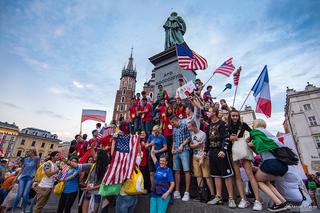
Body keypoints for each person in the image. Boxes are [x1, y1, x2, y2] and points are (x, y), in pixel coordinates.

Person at [249, 119, 290, 212]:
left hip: (271, 163)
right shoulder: (269, 134)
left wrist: (247, 142)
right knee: (266, 181)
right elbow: (261, 149)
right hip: (282, 164)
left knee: (257, 180)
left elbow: (255, 143)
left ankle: (278, 203)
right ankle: (283, 201)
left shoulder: (257, 132)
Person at [227, 109, 262, 210]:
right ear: (230, 116)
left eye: (236, 115)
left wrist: (249, 139)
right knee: (237, 176)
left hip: (243, 148)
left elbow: (253, 132)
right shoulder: (227, 126)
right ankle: (243, 199)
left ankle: (258, 200)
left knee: (249, 174)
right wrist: (229, 138)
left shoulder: (243, 124)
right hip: (233, 151)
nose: (235, 117)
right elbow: (225, 137)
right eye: (233, 115)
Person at [204, 107, 236, 208]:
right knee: (216, 175)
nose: (207, 113)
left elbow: (226, 138)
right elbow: (207, 140)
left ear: (214, 113)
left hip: (221, 152)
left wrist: (223, 150)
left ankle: (231, 198)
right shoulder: (209, 126)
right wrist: (205, 152)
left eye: (209, 111)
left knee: (226, 176)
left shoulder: (222, 124)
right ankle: (218, 197)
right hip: (212, 153)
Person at [187, 121, 215, 201]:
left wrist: (202, 158)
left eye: (189, 127)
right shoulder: (192, 134)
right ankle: (201, 194)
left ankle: (212, 194)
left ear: (194, 126)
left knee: (207, 176)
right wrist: (194, 145)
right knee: (198, 176)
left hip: (203, 156)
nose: (188, 129)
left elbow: (205, 146)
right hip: (195, 156)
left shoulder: (202, 134)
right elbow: (191, 145)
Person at [75, 149, 110, 213]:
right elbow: (77, 166)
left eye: (96, 153)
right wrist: (68, 162)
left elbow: (104, 184)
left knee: (94, 211)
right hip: (88, 192)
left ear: (100, 156)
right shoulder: (92, 165)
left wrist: (91, 188)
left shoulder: (107, 168)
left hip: (98, 193)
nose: (94, 155)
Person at [170, 116, 191, 201]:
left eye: (173, 123)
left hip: (184, 150)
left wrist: (182, 145)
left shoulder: (184, 125)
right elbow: (174, 140)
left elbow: (189, 137)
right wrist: (172, 148)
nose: (172, 125)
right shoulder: (174, 129)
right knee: (176, 171)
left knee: (186, 171)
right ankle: (177, 191)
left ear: (177, 120)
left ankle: (187, 192)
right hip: (176, 151)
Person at [12, 149, 40, 213]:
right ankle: (13, 210)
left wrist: (35, 178)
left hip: (30, 178)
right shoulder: (26, 159)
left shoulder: (37, 158)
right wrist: (16, 178)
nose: (27, 152)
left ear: (33, 152)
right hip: (23, 177)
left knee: (25, 195)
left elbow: (38, 169)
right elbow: (22, 169)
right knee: (19, 195)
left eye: (28, 151)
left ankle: (23, 210)